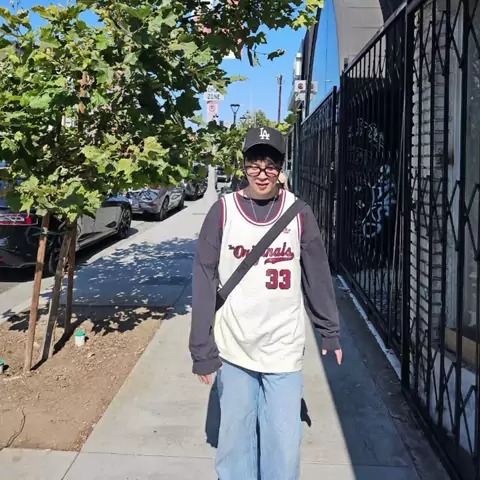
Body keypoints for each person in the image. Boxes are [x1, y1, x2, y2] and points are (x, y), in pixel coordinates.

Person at [189, 126, 342, 480]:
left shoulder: (299, 213)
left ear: (281, 167)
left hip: (283, 347)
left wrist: (329, 331)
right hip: (234, 346)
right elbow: (204, 280)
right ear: (243, 165)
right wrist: (202, 349)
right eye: (254, 164)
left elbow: (317, 275)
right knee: (235, 444)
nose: (261, 173)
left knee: (284, 446)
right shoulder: (222, 212)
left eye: (270, 165)